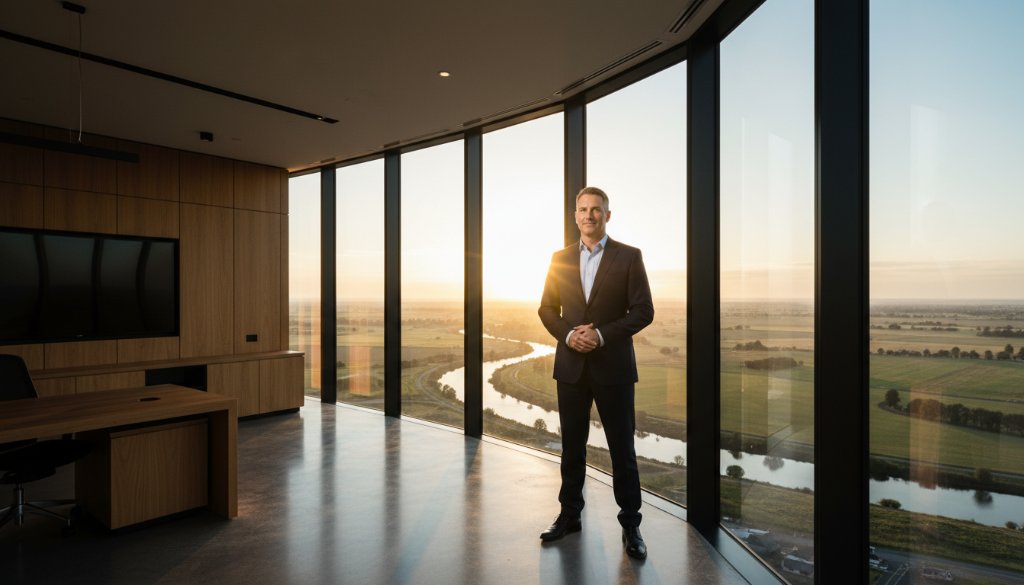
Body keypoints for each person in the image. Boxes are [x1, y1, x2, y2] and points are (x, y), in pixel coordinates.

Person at [537, 186, 654, 560]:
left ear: (608, 214)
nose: (589, 215)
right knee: (572, 447)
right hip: (571, 367)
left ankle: (631, 525)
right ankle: (569, 515)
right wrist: (570, 335)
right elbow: (546, 310)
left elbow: (643, 311)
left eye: (596, 210)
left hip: (614, 369)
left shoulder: (629, 257)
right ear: (575, 215)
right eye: (583, 210)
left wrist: (600, 336)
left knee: (623, 450)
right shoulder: (558, 258)